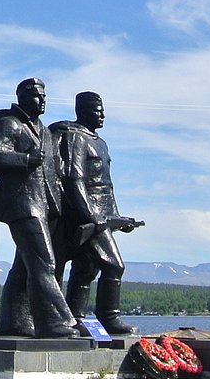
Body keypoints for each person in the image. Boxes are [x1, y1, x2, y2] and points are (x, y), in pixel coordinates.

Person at [0, 78, 80, 339]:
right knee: (44, 263)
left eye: (44, 95)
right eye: (37, 95)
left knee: (23, 267)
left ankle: (13, 323)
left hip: (45, 205)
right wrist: (25, 159)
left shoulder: (45, 132)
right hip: (21, 204)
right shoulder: (10, 124)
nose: (43, 100)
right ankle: (55, 323)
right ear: (23, 97)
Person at [50, 91, 144, 336]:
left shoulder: (100, 142)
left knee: (86, 267)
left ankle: (75, 318)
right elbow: (74, 180)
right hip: (86, 216)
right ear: (82, 110)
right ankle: (109, 316)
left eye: (102, 110)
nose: (102, 115)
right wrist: (91, 216)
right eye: (96, 109)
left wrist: (117, 218)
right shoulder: (75, 138)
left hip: (103, 216)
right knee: (114, 265)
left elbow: (106, 186)